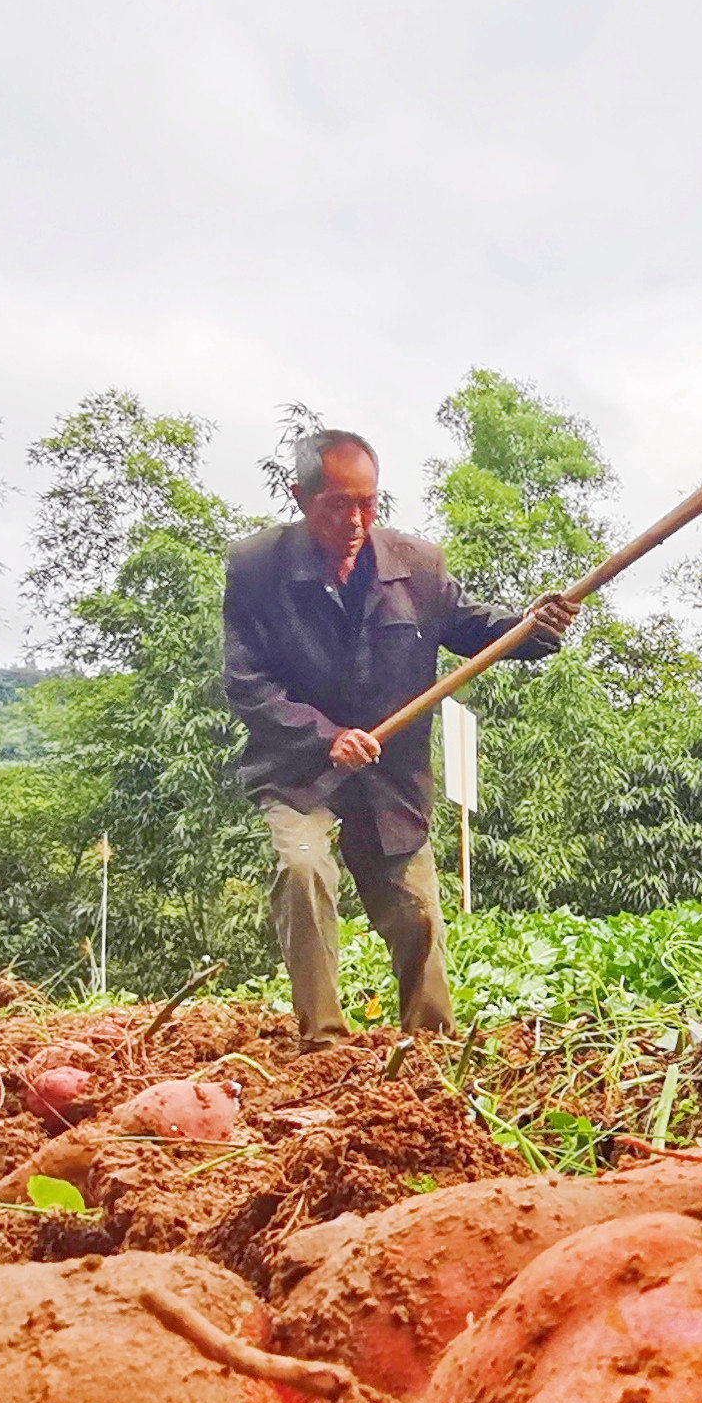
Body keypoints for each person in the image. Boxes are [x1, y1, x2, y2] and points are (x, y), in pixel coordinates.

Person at [219, 427, 580, 1045]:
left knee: (416, 911)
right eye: (339, 503)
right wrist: (327, 737)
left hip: (390, 775)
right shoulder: (257, 568)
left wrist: (531, 626)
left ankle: (431, 1049)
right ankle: (324, 1042)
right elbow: (248, 684)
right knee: (303, 871)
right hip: (301, 768)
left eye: (368, 502)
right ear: (300, 496)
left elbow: (471, 627)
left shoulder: (417, 566)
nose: (357, 519)